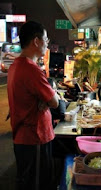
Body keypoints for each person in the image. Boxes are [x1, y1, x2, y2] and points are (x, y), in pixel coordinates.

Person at [7, 21, 59, 190]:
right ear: (36, 41)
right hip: (35, 136)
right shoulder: (31, 69)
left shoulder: (16, 65)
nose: (47, 43)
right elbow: (55, 102)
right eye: (46, 39)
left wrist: (45, 98)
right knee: (38, 184)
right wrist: (52, 93)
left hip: (23, 135)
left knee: (26, 181)